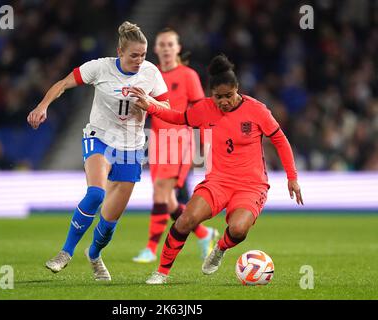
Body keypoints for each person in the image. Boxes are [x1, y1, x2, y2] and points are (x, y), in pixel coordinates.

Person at [129, 54, 304, 284]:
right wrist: (150, 106)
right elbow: (178, 117)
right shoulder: (205, 109)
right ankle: (161, 272)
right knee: (185, 220)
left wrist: (292, 178)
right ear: (212, 94)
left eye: (228, 96)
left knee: (239, 229)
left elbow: (281, 141)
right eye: (218, 97)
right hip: (217, 182)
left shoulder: (257, 110)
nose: (223, 101)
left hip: (251, 185)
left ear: (237, 89)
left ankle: (219, 249)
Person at [27, 21, 170, 281]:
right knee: (95, 193)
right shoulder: (99, 68)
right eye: (134, 55)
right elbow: (62, 84)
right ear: (120, 52)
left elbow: (166, 105)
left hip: (131, 147)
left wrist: (148, 103)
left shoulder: (151, 73)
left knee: (108, 222)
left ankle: (93, 254)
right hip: (99, 137)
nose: (139, 60)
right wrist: (42, 106)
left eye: (143, 55)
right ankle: (65, 252)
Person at [133, 28, 218, 264]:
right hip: (157, 141)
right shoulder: (149, 75)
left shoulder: (188, 75)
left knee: (161, 191)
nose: (167, 48)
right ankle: (204, 233)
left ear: (178, 48)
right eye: (163, 44)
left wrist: (207, 145)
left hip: (179, 140)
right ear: (156, 49)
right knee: (167, 198)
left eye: (171, 44)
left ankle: (150, 248)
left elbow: (202, 111)